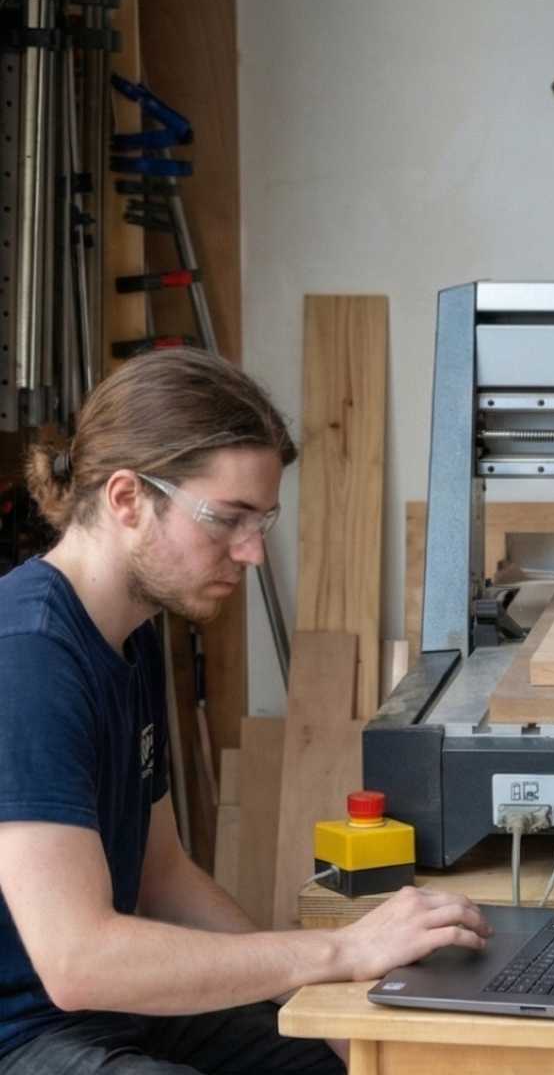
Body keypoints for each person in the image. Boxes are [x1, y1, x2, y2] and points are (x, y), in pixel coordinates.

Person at [0, 348, 491, 1074]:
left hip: (110, 1013)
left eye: (262, 520)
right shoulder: (29, 655)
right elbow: (78, 961)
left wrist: (318, 995)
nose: (254, 552)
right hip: (28, 1035)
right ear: (128, 499)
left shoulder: (124, 638)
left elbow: (161, 875)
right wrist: (341, 950)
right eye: (227, 519)